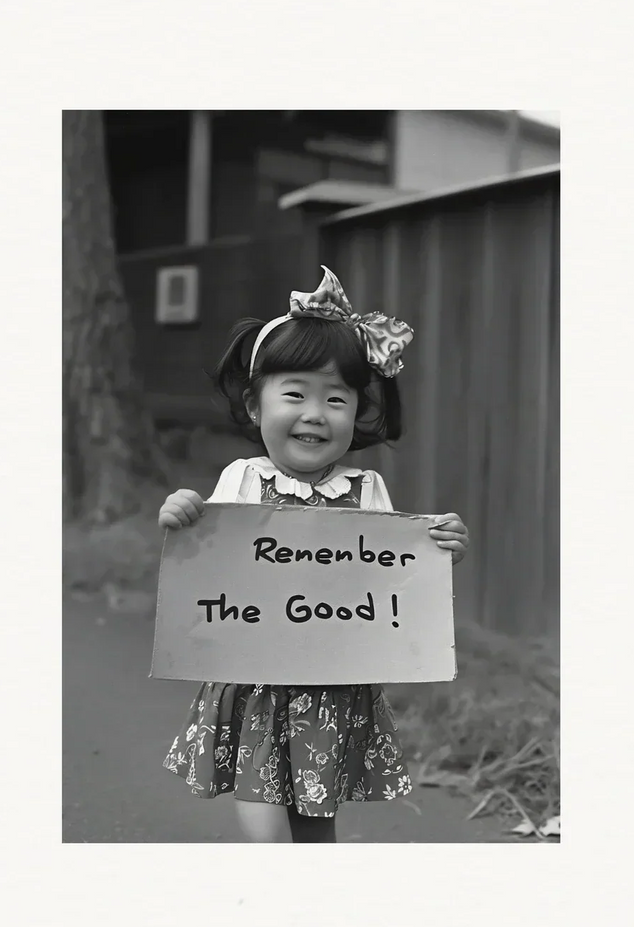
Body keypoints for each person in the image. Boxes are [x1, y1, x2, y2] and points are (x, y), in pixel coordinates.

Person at [159, 266, 469, 843]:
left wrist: (439, 552)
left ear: (356, 411)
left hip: (333, 684)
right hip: (255, 681)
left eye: (336, 398)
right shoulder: (242, 479)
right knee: (267, 826)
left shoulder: (367, 491)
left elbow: (389, 578)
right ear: (255, 406)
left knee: (315, 820)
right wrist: (180, 513)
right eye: (295, 394)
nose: (315, 413)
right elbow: (208, 555)